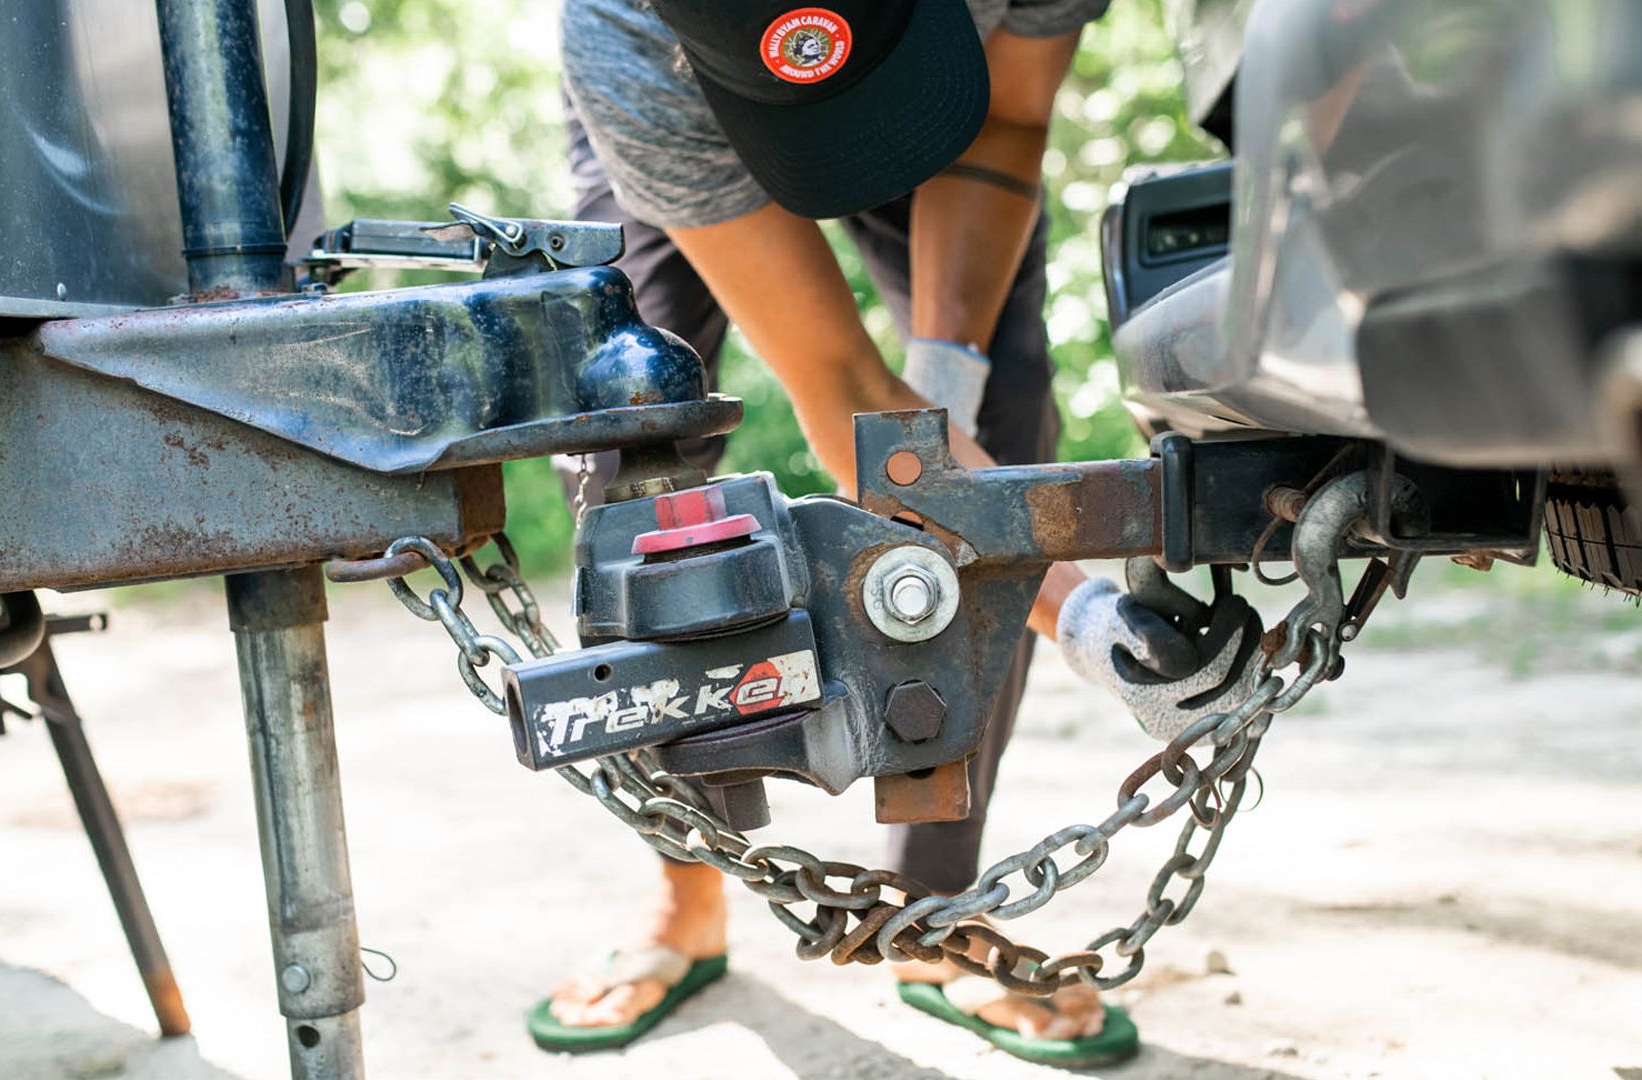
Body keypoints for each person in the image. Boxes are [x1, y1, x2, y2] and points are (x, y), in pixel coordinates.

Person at [527, 0, 1259, 1066]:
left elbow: (1010, 119)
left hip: (946, 77)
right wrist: (1088, 619)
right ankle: (686, 891)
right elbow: (843, 384)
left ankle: (932, 909)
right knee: (631, 454)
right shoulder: (627, 41)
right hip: (695, 101)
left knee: (1005, 422)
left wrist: (946, 374)